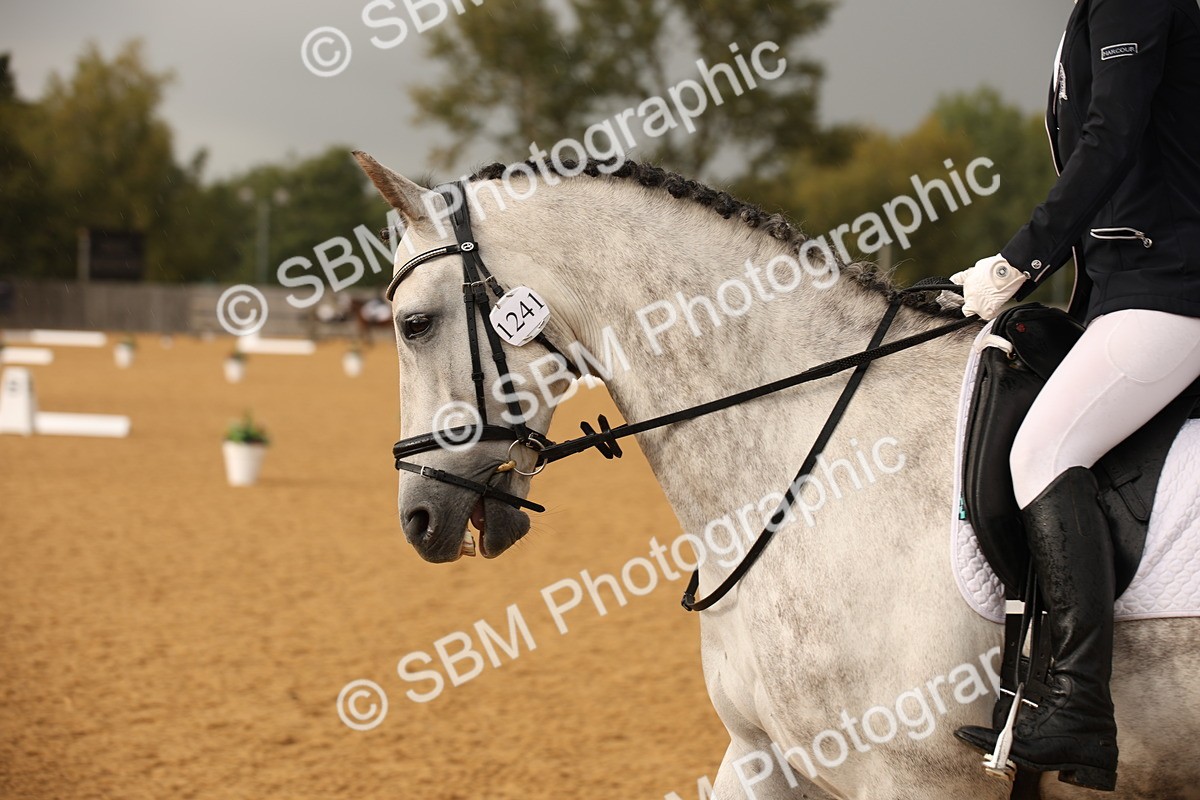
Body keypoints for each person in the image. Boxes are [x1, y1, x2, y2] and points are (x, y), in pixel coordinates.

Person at [947, 0, 1200, 792]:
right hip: (1127, 287)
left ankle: (1081, 709)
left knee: (1045, 450)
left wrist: (1020, 259)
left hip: (1170, 288)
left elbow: (1112, 137)